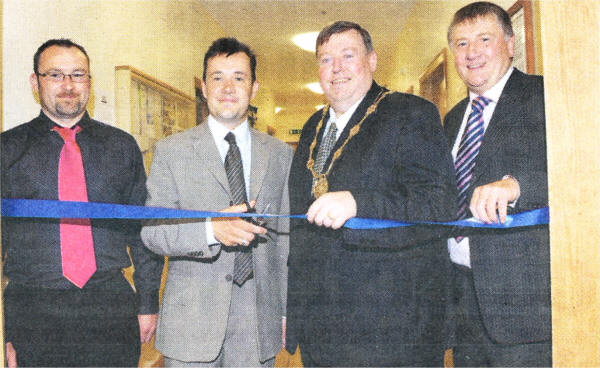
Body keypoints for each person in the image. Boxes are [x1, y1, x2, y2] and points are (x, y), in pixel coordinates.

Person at [284, 21, 457, 366]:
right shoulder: (311, 127)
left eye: (348, 55)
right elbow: (301, 231)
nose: (336, 69)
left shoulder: (410, 113)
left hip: (393, 331)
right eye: (325, 59)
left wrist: (358, 203)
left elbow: (438, 205)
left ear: (372, 60)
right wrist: (294, 311)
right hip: (322, 331)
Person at [1, 39, 163, 367]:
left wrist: (147, 303)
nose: (68, 85)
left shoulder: (121, 146)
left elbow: (143, 231)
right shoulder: (7, 149)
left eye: (78, 75)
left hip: (110, 303)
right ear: (36, 81)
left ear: (89, 81)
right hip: (34, 307)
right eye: (55, 75)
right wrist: (7, 329)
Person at [141, 37, 292, 367]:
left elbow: (285, 242)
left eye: (239, 77)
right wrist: (211, 230)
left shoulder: (280, 155)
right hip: (191, 322)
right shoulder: (171, 151)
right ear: (204, 88)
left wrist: (285, 311)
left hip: (257, 322)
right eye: (217, 77)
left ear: (253, 88)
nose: (227, 87)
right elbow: (152, 232)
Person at [444, 2, 551, 366]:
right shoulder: (453, 118)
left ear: (510, 44)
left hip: (523, 314)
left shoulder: (546, 97)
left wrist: (517, 186)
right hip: (461, 306)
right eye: (461, 44)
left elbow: (584, 174)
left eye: (484, 39)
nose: (472, 52)